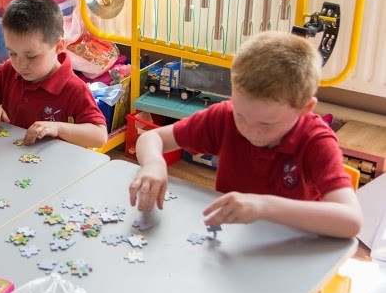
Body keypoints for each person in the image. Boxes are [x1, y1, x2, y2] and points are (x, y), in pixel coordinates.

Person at [128, 31, 362, 238]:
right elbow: (152, 138)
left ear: (304, 109)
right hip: (231, 240)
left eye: (266, 123)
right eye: (241, 114)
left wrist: (263, 207)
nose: (249, 129)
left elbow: (351, 221)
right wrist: (153, 164)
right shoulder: (225, 117)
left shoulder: (316, 142)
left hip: (293, 249)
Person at [0, 0, 108, 149]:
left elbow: (99, 136)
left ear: (59, 47)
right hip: (12, 156)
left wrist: (58, 128)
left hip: (53, 166)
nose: (20, 64)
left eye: (31, 56)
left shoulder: (74, 89)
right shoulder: (10, 70)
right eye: (12, 53)